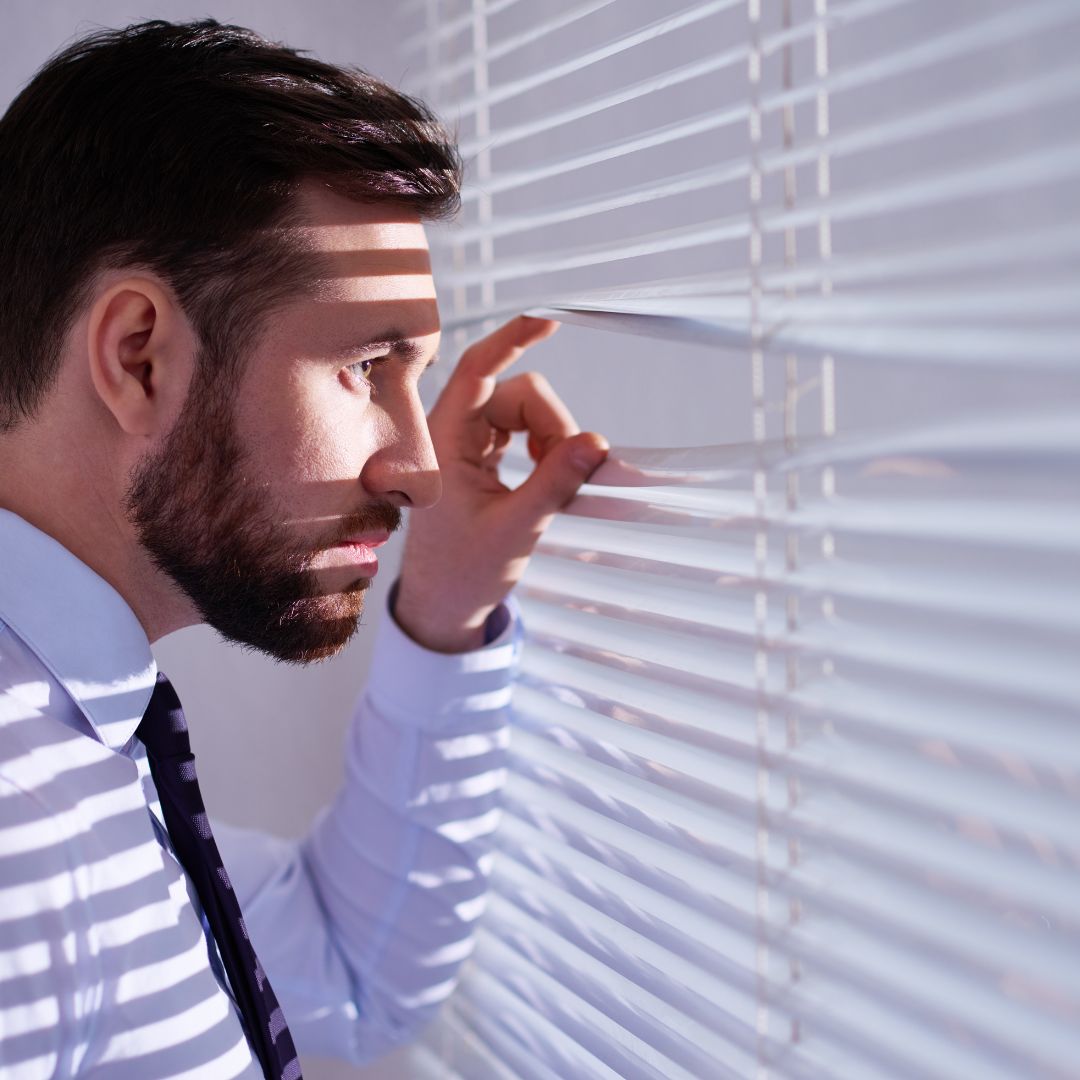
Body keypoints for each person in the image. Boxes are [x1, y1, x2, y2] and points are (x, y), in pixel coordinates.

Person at [0, 19, 607, 1079]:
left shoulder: (80, 730)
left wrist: (447, 608)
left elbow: (338, 977)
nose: (416, 464)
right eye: (367, 367)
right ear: (138, 355)